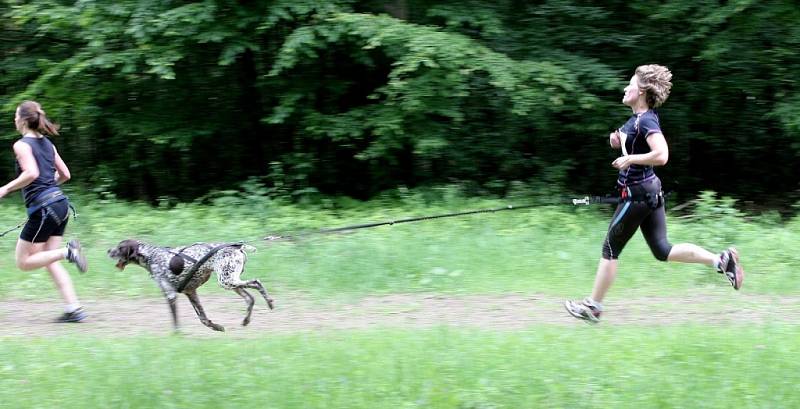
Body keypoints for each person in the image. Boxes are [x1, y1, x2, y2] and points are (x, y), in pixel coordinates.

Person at [564, 65, 744, 323]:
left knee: (610, 249)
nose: (625, 88)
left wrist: (629, 160)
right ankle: (721, 261)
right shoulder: (636, 120)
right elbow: (629, 139)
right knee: (662, 249)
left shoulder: (646, 119)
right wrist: (617, 140)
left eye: (630, 84)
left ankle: (593, 307)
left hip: (637, 193)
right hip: (649, 190)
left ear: (642, 91)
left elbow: (662, 155)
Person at [0, 100, 88, 322]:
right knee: (48, 259)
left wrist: (6, 188)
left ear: (21, 119)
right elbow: (65, 174)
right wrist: (49, 193)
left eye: (15, 115)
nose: (14, 119)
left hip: (46, 208)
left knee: (24, 261)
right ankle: (73, 309)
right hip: (60, 205)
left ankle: (69, 252)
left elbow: (31, 173)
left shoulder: (21, 145)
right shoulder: (49, 145)